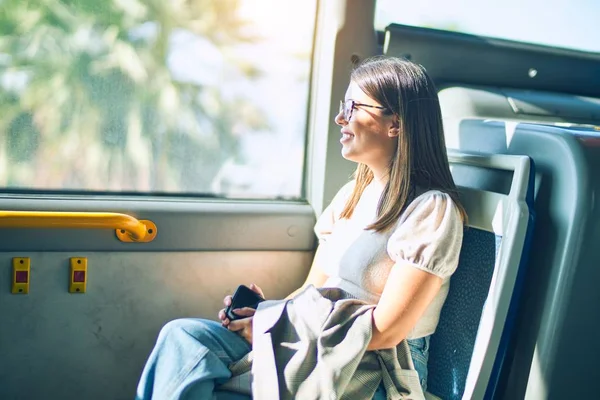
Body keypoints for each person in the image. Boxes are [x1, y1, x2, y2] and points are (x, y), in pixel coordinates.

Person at [135, 56, 467, 400]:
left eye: (353, 106)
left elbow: (387, 330)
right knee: (183, 339)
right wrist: (265, 314)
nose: (341, 118)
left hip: (372, 367)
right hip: (315, 343)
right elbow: (310, 291)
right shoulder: (352, 196)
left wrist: (275, 328)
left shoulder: (431, 210)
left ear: (394, 124)